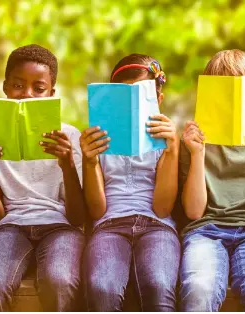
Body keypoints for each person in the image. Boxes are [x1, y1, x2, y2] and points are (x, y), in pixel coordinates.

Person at [0, 44, 85, 311]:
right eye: (18, 86)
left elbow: (78, 217)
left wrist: (66, 165)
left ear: (52, 94)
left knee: (60, 280)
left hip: (61, 226)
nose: (27, 95)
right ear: (5, 88)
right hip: (11, 226)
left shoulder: (69, 136)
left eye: (39, 89)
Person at [178, 49, 245, 311]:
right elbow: (194, 211)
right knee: (198, 289)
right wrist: (198, 154)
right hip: (204, 230)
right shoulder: (195, 141)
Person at [81, 53, 180, 311]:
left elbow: (162, 208)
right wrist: (90, 161)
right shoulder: (98, 138)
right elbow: (96, 211)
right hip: (109, 225)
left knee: (158, 286)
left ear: (158, 99)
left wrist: (172, 151)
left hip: (156, 225)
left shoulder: (164, 141)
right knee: (103, 288)